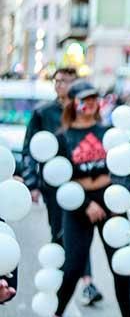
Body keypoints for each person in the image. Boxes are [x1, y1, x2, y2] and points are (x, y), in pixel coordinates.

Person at [38, 80, 130, 317]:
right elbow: (57, 179)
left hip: (110, 201)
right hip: (77, 205)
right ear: (73, 103)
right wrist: (84, 204)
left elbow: (122, 168)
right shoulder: (62, 137)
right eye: (84, 99)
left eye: (94, 99)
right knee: (73, 267)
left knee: (120, 265)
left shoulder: (108, 132)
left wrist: (109, 202)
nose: (90, 104)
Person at [21, 68, 104, 305]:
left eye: (66, 81)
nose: (60, 86)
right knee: (60, 232)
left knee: (80, 232)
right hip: (54, 185)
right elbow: (30, 148)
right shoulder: (43, 113)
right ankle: (60, 279)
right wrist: (32, 182)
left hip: (83, 184)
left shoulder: (88, 111)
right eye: (57, 81)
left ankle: (87, 283)